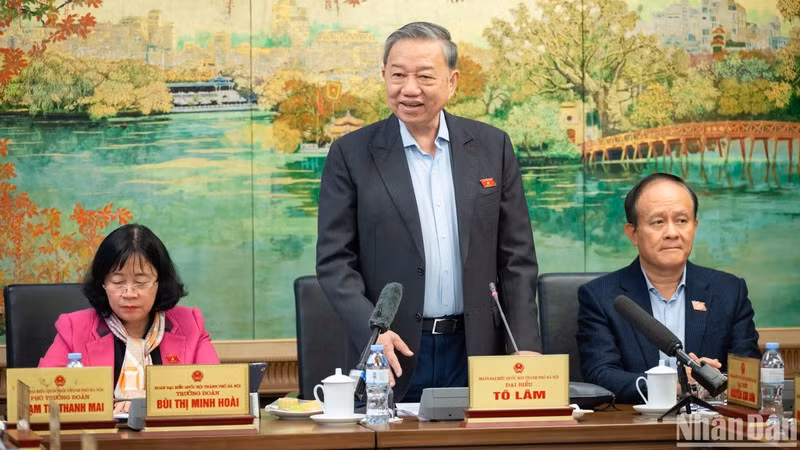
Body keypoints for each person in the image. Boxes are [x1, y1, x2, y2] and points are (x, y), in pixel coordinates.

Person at [316, 21, 540, 402]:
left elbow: (516, 258)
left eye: (424, 76)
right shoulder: (350, 155)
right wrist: (373, 332)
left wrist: (525, 345)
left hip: (476, 351)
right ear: (383, 76)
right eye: (398, 75)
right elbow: (335, 262)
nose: (409, 89)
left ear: (452, 82)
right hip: (390, 352)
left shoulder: (492, 146)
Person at [577, 173, 760, 403]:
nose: (672, 233)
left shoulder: (729, 292)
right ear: (633, 233)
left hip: (710, 429)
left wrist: (715, 380)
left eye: (682, 221)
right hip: (637, 429)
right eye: (658, 222)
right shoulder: (601, 296)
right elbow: (600, 374)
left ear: (694, 226)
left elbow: (748, 371)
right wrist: (674, 386)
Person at [40, 224, 219, 413]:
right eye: (117, 282)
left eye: (141, 282)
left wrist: (151, 399)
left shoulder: (190, 324)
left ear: (160, 283)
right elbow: (43, 397)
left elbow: (213, 392)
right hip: (99, 439)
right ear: (103, 283)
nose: (129, 293)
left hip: (171, 440)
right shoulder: (74, 328)